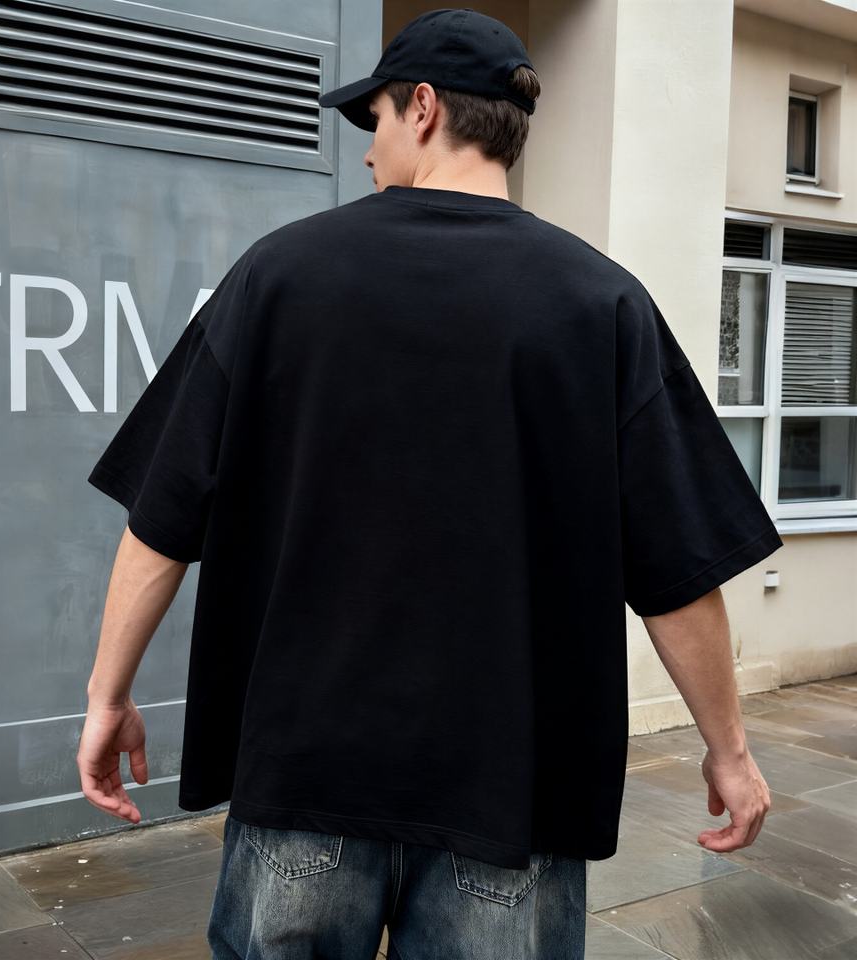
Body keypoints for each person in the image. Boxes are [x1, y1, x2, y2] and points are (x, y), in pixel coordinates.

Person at [77, 8, 781, 959]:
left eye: (372, 121)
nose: (368, 151)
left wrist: (107, 698)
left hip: (307, 781)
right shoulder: (602, 303)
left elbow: (162, 520)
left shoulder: (277, 277)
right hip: (508, 796)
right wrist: (729, 752)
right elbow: (679, 568)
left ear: (422, 107)